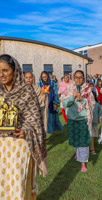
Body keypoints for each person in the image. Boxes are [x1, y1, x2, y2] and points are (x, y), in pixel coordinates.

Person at [0, 54, 48, 200]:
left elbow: (35, 122)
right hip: (1, 148)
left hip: (19, 147)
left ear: (15, 71)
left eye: (5, 70)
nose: (1, 74)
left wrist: (26, 131)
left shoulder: (27, 91)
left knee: (17, 187)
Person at [62, 70, 95, 172]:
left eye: (80, 77)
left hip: (83, 119)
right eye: (76, 77)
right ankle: (77, 154)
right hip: (72, 119)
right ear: (73, 78)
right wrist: (73, 97)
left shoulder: (87, 90)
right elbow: (63, 103)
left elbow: (92, 104)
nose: (78, 80)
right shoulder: (69, 89)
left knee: (83, 141)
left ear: (84, 79)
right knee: (75, 140)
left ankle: (83, 162)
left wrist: (83, 100)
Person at [39, 71, 63, 136]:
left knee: (51, 118)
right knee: (44, 119)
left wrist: (55, 103)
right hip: (43, 104)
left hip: (51, 103)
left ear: (48, 76)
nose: (44, 78)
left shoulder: (52, 83)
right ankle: (44, 132)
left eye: (46, 76)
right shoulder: (39, 84)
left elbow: (55, 94)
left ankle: (51, 131)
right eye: (43, 77)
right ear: (41, 77)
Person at [90, 90, 102, 155]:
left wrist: (100, 117)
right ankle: (92, 149)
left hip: (95, 122)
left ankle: (89, 142)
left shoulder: (97, 104)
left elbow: (100, 111)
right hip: (89, 122)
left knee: (95, 136)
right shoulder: (87, 103)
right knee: (91, 136)